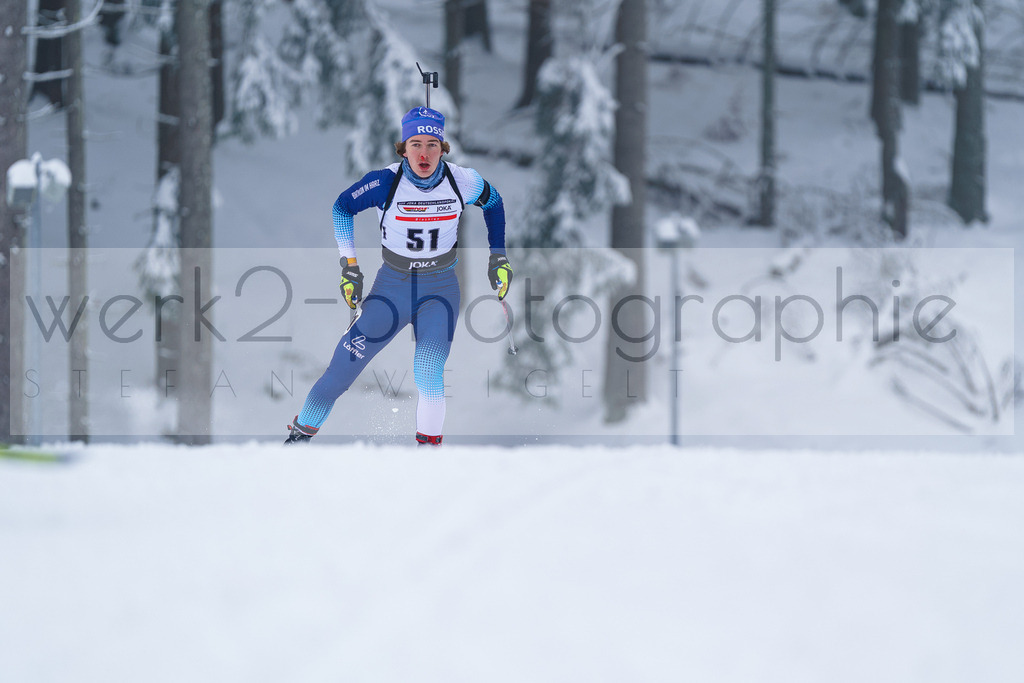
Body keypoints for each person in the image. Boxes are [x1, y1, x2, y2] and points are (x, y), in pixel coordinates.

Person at [284, 106, 512, 447]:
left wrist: (498, 256)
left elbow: (493, 203)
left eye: (432, 144)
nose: (424, 153)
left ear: (443, 147)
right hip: (392, 288)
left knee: (429, 372)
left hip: (440, 290)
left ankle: (428, 455)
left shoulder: (462, 181)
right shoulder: (385, 182)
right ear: (403, 147)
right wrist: (349, 266)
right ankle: (298, 440)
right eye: (415, 143)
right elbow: (342, 208)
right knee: (340, 372)